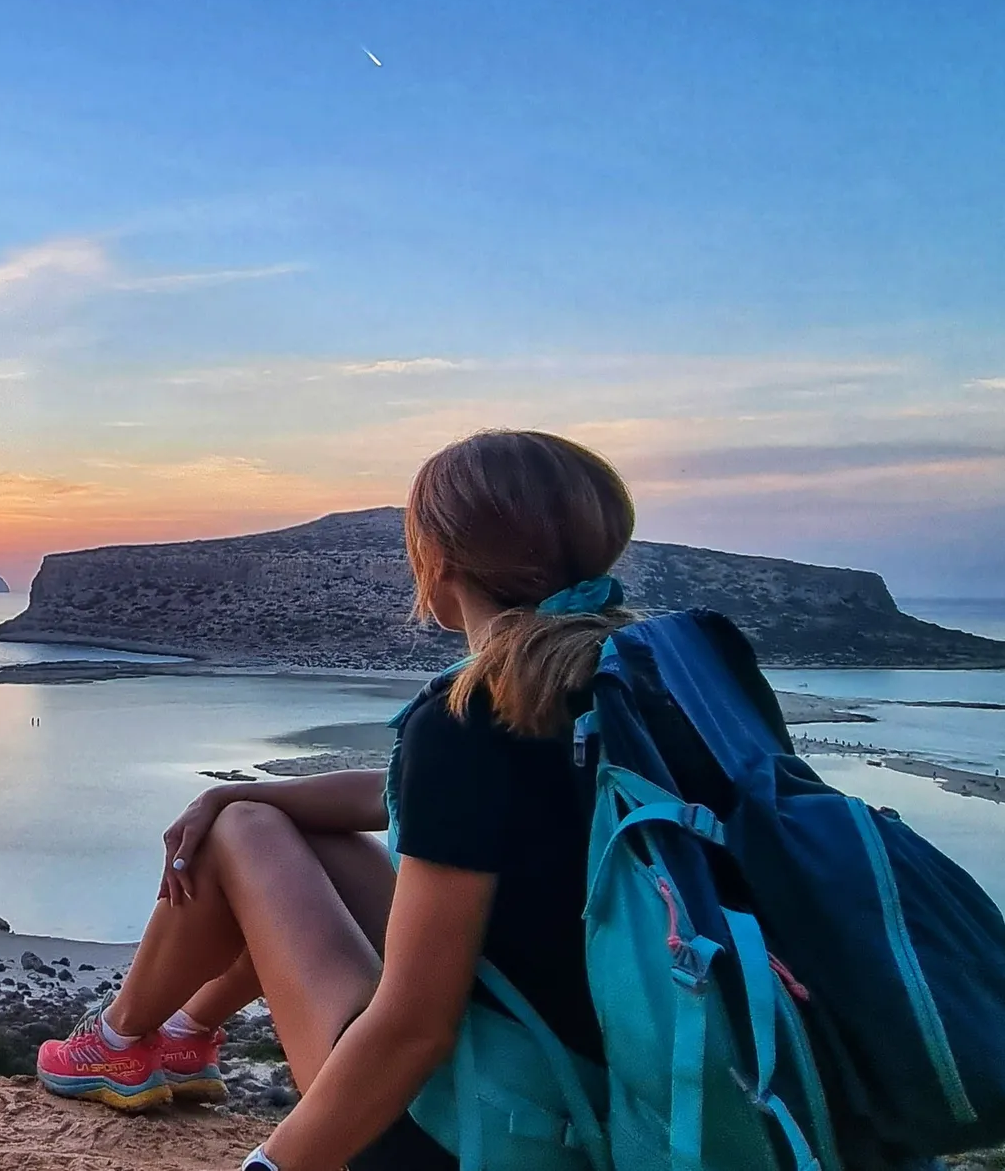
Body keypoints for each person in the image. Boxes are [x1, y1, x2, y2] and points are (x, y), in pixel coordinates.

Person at [35, 430, 636, 1171]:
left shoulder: (472, 719)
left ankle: (120, 1044)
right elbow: (406, 798)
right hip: (622, 1092)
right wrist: (243, 790)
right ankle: (185, 1038)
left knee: (243, 833)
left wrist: (275, 1165)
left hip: (475, 1133)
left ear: (436, 559)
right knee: (270, 820)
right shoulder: (643, 681)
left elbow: (416, 1029)